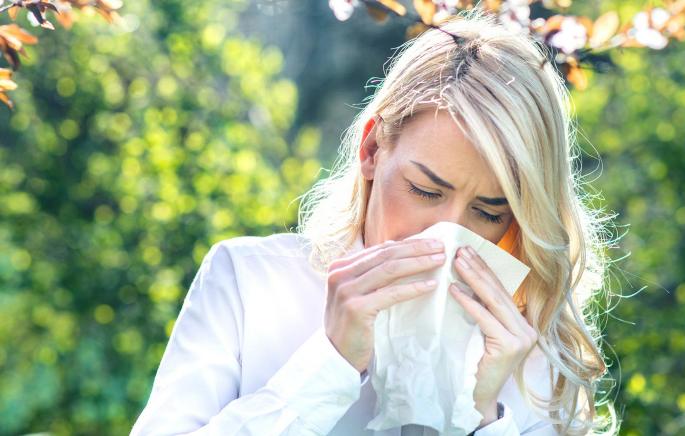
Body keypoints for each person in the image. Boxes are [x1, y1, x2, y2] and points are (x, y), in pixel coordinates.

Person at [130, 6, 619, 436]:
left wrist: (484, 416)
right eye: (425, 190)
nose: (447, 233)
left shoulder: (531, 347)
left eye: (488, 212)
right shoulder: (249, 281)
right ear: (371, 150)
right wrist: (328, 365)